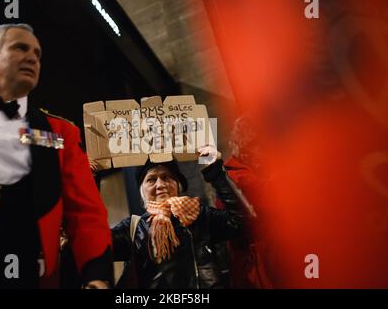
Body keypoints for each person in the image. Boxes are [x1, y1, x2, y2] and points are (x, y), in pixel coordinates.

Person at [0, 23, 112, 288]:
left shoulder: (60, 133)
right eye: (20, 48)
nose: (32, 57)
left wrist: (97, 276)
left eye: (37, 54)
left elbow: (86, 213)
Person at [112, 147, 256, 288]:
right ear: (141, 190)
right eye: (151, 179)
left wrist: (216, 173)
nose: (160, 184)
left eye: (166, 177)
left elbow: (243, 222)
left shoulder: (200, 216)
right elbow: (96, 247)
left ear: (178, 185)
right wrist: (91, 181)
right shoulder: (133, 228)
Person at [220, 117, 273, 288]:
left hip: (263, 259)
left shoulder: (248, 171)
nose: (267, 150)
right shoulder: (236, 176)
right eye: (261, 145)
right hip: (256, 263)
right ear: (247, 146)